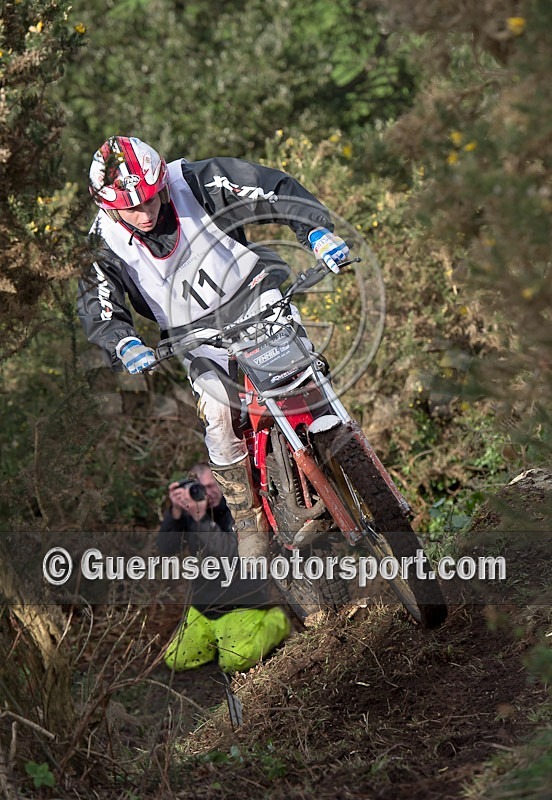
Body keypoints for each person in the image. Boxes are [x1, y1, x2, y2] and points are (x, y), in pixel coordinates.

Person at [78, 136, 349, 560]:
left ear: (161, 180)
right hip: (192, 333)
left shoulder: (195, 179)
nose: (146, 213)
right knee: (220, 413)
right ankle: (247, 517)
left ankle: (347, 449)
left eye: (152, 199)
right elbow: (100, 306)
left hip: (254, 295)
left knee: (306, 366)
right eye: (132, 208)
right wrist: (123, 342)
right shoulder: (99, 245)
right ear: (108, 207)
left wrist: (315, 231)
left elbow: (272, 188)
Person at [157, 478, 290, 673]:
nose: (207, 493)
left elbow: (232, 554)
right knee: (175, 659)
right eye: (200, 488)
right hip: (204, 607)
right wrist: (176, 511)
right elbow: (166, 548)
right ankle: (219, 642)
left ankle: (277, 621)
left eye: (212, 486)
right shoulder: (193, 512)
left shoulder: (238, 512)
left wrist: (201, 520)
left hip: (241, 604)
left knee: (235, 661)